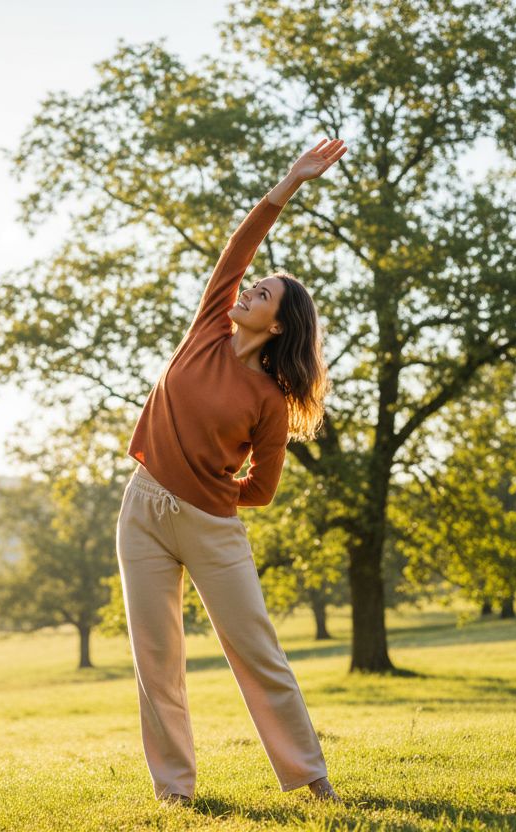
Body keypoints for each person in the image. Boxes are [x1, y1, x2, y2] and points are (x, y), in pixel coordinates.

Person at [117, 138, 348, 805]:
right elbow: (238, 247)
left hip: (211, 527)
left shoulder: (270, 402)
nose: (250, 287)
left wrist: (210, 496)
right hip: (141, 510)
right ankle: (174, 793)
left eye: (265, 291)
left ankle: (310, 778)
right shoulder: (208, 329)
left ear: (280, 324)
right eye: (254, 284)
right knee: (156, 659)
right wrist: (288, 183)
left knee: (256, 651)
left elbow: (265, 490)